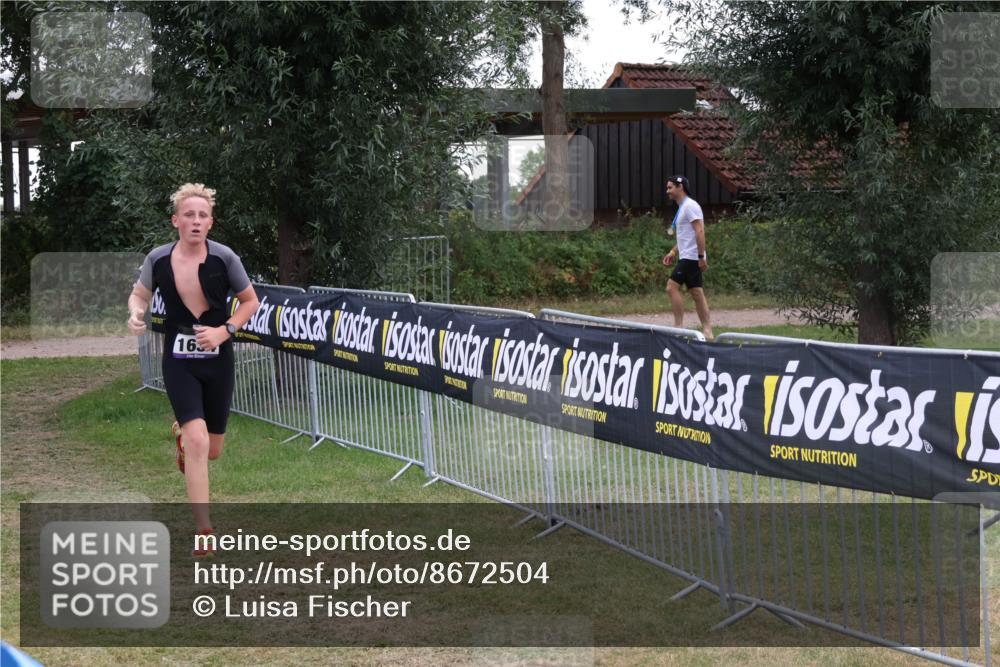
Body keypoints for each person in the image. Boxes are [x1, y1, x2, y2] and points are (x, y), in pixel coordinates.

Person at [127, 183, 260, 554]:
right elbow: (140, 294)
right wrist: (137, 313)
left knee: (211, 449)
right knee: (200, 441)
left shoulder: (225, 258)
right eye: (189, 215)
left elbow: (251, 302)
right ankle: (205, 530)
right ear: (176, 221)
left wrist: (225, 330)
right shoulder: (158, 259)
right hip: (179, 361)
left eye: (202, 216)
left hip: (218, 360)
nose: (196, 221)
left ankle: (183, 438)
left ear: (211, 223)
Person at [662, 175, 713, 340]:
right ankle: (708, 331)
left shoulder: (690, 206)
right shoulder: (683, 207)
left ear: (680, 187)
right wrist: (673, 252)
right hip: (689, 255)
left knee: (671, 287)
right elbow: (687, 236)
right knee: (697, 292)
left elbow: (699, 231)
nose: (667, 191)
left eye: (670, 187)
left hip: (692, 257)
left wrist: (701, 257)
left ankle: (679, 328)